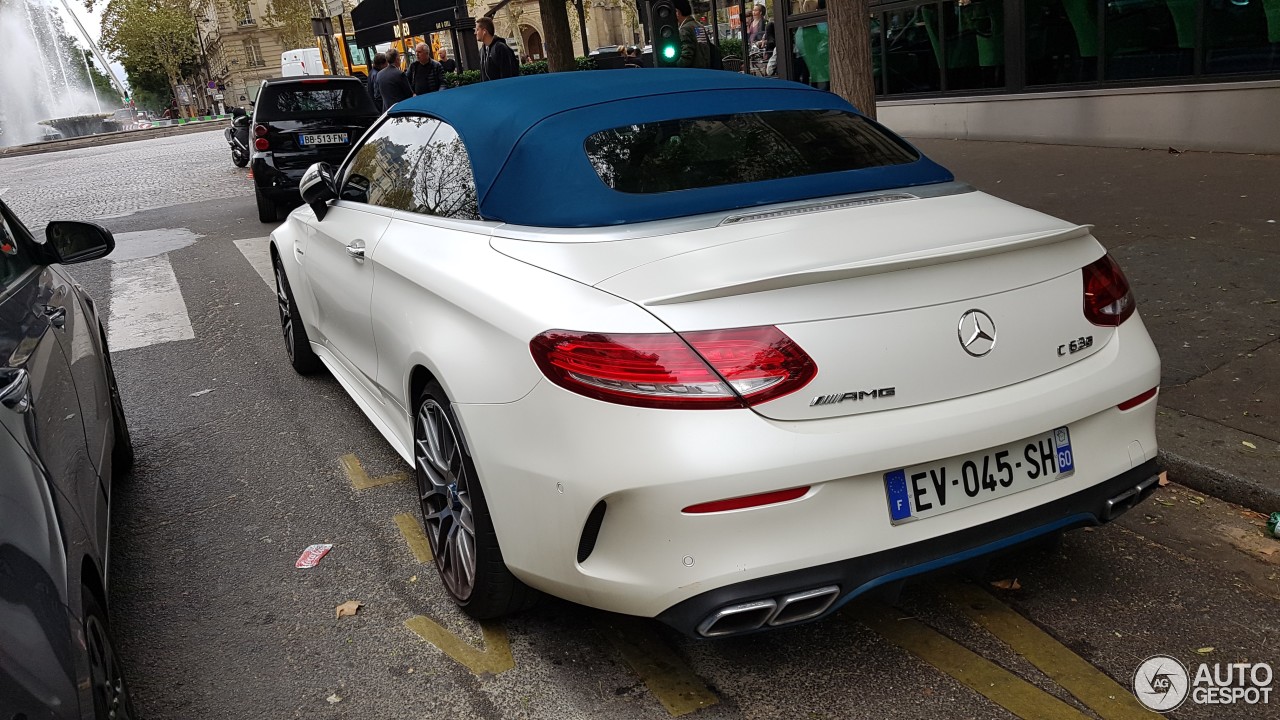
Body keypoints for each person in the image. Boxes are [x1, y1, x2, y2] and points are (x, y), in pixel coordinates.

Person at [476, 17, 519, 81]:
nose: (475, 33)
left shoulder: (500, 48)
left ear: (484, 31)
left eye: (477, 30)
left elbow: (508, 75)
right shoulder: (482, 51)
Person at [673, 0, 712, 69]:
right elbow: (704, 48)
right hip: (705, 69)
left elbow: (687, 56)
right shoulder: (699, 26)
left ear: (677, 12)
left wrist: (675, 66)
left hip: (693, 72)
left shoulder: (685, 29)